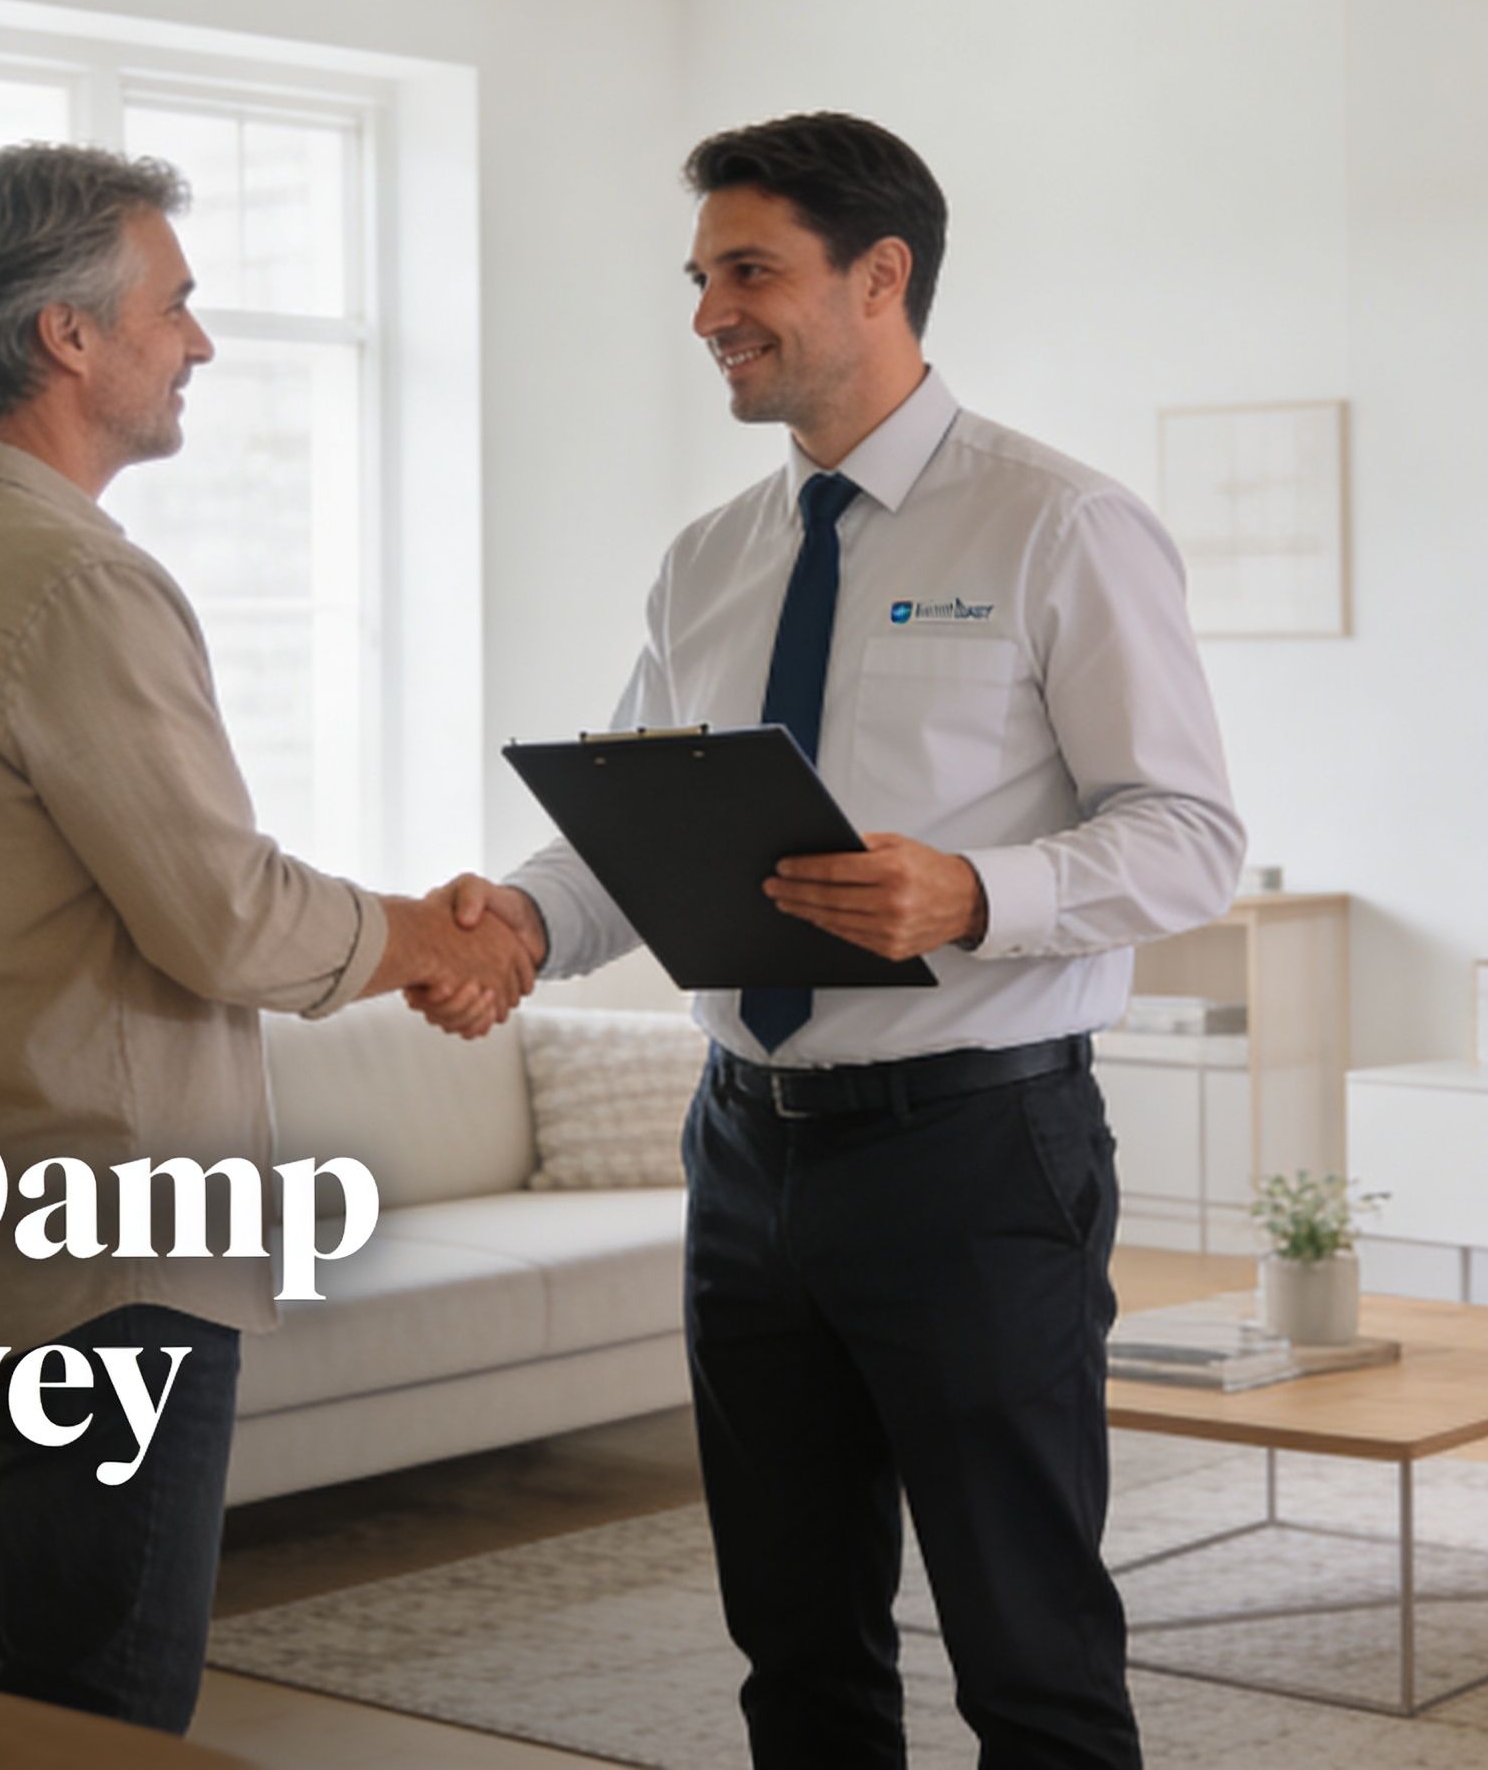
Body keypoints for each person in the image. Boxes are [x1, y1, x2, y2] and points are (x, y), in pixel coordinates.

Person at [440, 113, 1242, 1769]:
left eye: (749, 271)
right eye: (700, 276)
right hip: (744, 1156)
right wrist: (524, 915)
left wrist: (970, 893)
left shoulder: (1058, 527)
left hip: (974, 1151)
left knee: (1027, 1646)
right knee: (793, 1639)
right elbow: (633, 836)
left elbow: (1189, 838)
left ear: (882, 276)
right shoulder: (711, 560)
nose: (709, 314)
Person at [0, 141, 536, 1733]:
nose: (198, 343)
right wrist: (430, 936)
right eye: (176, 306)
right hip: (105, 1255)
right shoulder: (70, 582)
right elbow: (227, 920)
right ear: (70, 336)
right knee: (96, 1708)